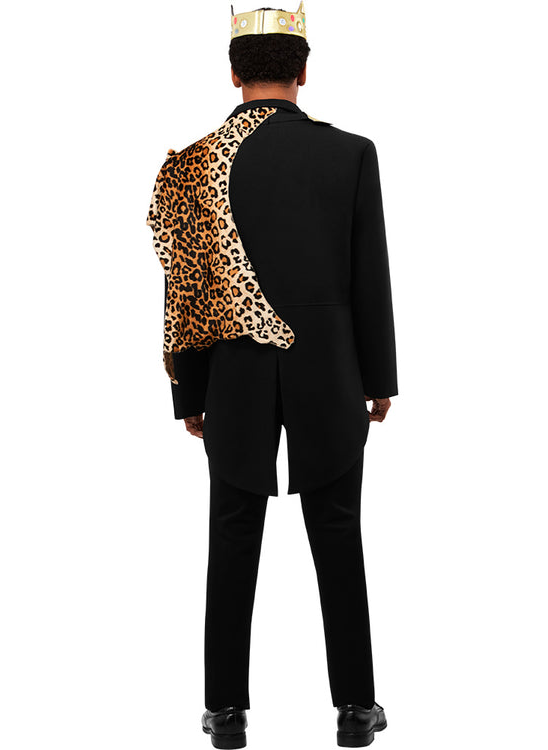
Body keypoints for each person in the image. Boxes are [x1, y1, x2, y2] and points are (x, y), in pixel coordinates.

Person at [146, 3, 397, 747]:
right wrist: (378, 376)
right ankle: (356, 710)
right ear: (304, 72)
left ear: (232, 74)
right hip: (330, 368)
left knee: (231, 535)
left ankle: (226, 713)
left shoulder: (194, 164)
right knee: (340, 533)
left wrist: (189, 391)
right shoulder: (352, 154)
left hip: (234, 372)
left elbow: (185, 290)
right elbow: (370, 275)